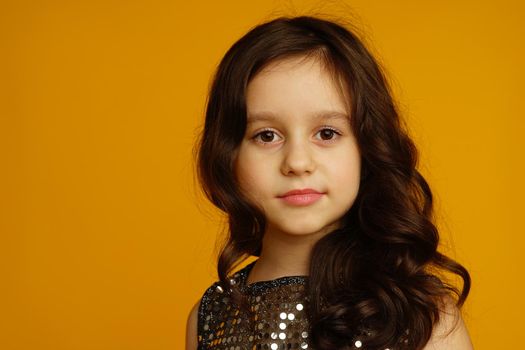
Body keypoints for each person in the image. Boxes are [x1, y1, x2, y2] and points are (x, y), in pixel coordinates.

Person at [186, 15, 473, 350]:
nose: (297, 162)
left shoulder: (422, 315)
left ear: (366, 148)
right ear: (227, 153)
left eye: (326, 133)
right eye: (267, 136)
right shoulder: (211, 318)